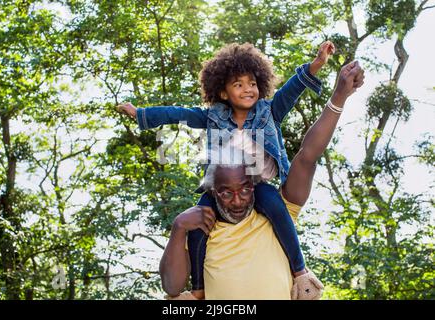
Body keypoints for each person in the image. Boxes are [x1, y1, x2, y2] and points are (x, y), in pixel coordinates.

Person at [116, 41, 336, 298]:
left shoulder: (269, 111)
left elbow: (291, 90)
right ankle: (198, 290)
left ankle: (300, 271)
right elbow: (177, 114)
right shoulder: (213, 116)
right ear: (222, 93)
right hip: (219, 186)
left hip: (255, 184)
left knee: (277, 208)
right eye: (238, 84)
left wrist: (316, 65)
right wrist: (140, 114)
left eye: (252, 83)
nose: (248, 89)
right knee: (199, 225)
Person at [159, 61, 365, 299]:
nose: (238, 200)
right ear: (213, 191)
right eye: (226, 192)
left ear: (254, 183)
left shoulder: (277, 212)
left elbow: (308, 155)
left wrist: (339, 96)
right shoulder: (201, 225)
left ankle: (301, 270)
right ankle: (198, 292)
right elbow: (172, 287)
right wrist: (178, 228)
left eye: (245, 189)